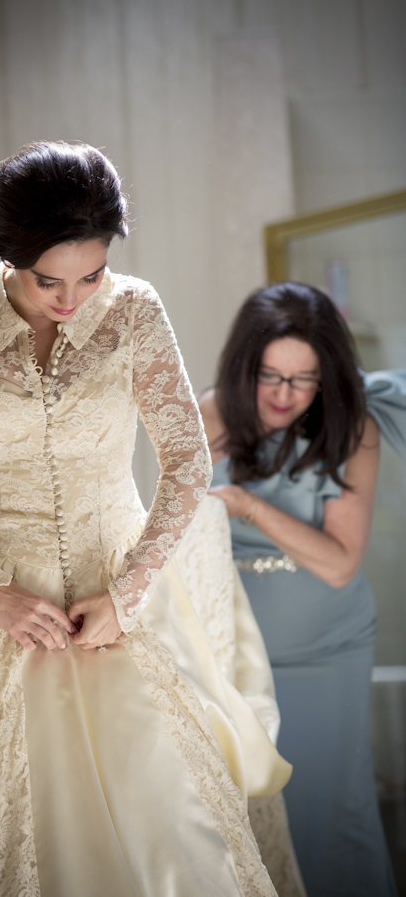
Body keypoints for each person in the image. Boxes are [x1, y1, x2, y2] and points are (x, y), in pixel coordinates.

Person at [0, 141, 292, 897]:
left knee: (170, 827)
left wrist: (127, 593)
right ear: (8, 253)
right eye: (47, 280)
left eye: (91, 274)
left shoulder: (135, 310)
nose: (71, 299)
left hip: (121, 595)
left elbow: (187, 464)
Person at [198, 281, 406, 897]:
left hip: (327, 652)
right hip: (228, 650)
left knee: (328, 811)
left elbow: (340, 563)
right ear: (243, 366)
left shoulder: (351, 429)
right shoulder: (203, 415)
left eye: (304, 379)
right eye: (269, 376)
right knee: (236, 817)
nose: (284, 396)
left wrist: (246, 506)